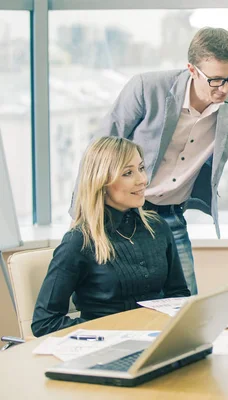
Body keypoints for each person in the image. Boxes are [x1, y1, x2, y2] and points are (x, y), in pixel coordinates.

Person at [89, 27, 228, 295]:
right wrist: (83, 217)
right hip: (118, 216)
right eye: (216, 80)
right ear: (192, 70)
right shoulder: (147, 88)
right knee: (116, 299)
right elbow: (98, 153)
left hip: (171, 217)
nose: (225, 89)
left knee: (186, 307)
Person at [33, 137, 190, 337]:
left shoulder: (157, 227)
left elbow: (178, 295)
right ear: (101, 182)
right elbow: (44, 322)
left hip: (157, 341)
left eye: (141, 168)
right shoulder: (79, 241)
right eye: (127, 173)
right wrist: (109, 332)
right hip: (107, 350)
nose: (142, 180)